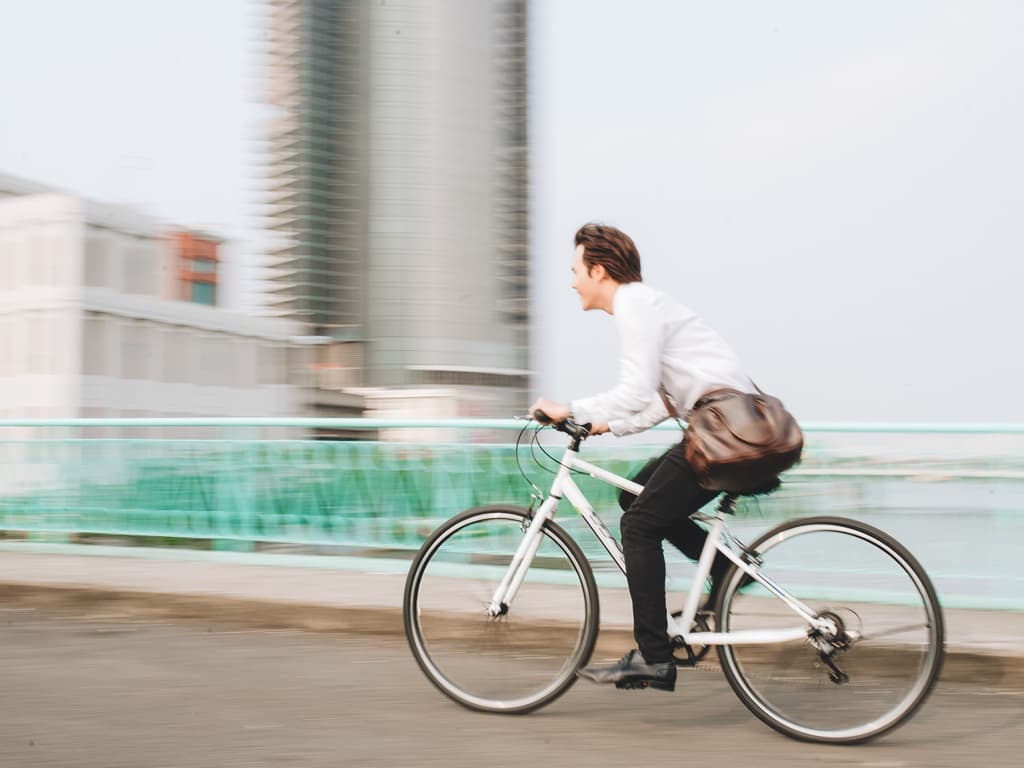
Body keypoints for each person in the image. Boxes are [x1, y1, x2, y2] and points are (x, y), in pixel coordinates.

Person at [530, 222, 758, 693]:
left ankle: (654, 658)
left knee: (638, 526)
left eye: (575, 270)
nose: (571, 281)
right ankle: (725, 571)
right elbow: (661, 401)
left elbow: (634, 391)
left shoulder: (633, 303)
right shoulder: (647, 306)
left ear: (598, 269)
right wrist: (602, 424)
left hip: (722, 428)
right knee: (635, 501)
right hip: (727, 425)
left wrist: (570, 409)